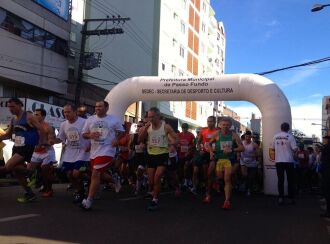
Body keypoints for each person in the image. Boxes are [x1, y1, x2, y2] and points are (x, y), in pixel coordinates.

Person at [81, 100, 124, 210]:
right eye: (96, 106)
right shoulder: (90, 119)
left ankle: (89, 200)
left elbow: (122, 131)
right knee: (98, 174)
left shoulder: (113, 120)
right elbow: (84, 134)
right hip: (94, 152)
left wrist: (117, 140)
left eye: (100, 106)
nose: (97, 108)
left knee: (95, 173)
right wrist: (90, 135)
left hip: (107, 151)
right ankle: (115, 180)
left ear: (106, 108)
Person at [0, 98, 45, 203]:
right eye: (9, 107)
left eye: (13, 106)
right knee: (16, 171)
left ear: (20, 105)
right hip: (16, 146)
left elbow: (41, 129)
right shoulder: (13, 119)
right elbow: (8, 134)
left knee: (8, 166)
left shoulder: (29, 116)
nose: (11, 109)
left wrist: (40, 143)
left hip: (27, 146)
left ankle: (34, 173)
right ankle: (30, 193)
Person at [139, 107, 178, 211]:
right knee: (151, 181)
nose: (150, 119)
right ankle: (153, 192)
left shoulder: (166, 126)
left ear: (158, 116)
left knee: (157, 178)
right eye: (149, 117)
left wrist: (171, 143)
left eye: (152, 117)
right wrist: (145, 129)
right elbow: (140, 139)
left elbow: (176, 138)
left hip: (163, 154)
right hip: (151, 154)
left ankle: (155, 200)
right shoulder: (147, 126)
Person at [56, 104, 90, 203]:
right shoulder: (63, 124)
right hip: (70, 153)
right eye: (65, 112)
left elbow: (92, 134)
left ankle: (89, 182)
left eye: (68, 112)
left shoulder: (84, 122)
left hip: (83, 152)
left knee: (76, 173)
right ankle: (80, 191)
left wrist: (91, 146)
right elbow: (60, 138)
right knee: (69, 175)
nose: (66, 114)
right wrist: (52, 140)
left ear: (75, 112)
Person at [209, 117, 244, 209]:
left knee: (227, 179)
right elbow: (208, 144)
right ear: (220, 125)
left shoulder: (234, 135)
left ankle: (226, 201)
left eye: (227, 125)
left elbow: (242, 148)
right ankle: (218, 183)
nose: (225, 126)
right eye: (223, 125)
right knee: (220, 178)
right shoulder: (216, 134)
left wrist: (232, 149)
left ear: (230, 126)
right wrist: (211, 152)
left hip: (229, 160)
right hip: (219, 159)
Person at [27, 108, 57, 198]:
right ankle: (37, 183)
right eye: (34, 114)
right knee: (28, 170)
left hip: (47, 152)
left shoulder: (48, 127)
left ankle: (49, 189)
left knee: (45, 171)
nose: (34, 116)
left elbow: (52, 141)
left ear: (43, 116)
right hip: (36, 152)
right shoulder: (31, 126)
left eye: (37, 115)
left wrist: (45, 143)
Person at [271, 122, 298, 205]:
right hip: (289, 161)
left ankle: (281, 198)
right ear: (288, 129)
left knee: (280, 180)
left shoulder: (275, 136)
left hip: (279, 161)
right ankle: (290, 198)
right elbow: (294, 149)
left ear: (281, 128)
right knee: (290, 180)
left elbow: (273, 149)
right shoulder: (290, 137)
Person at [192, 116, 218, 195]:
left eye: (211, 121)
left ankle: (209, 189)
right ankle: (205, 185)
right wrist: (200, 149)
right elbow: (198, 142)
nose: (209, 123)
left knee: (210, 172)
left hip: (214, 153)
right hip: (205, 153)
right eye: (208, 121)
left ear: (215, 122)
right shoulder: (203, 130)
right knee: (205, 171)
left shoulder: (218, 131)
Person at [240, 131, 259, 196]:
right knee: (244, 175)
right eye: (246, 136)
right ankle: (245, 186)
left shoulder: (254, 144)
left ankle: (249, 189)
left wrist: (254, 156)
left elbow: (258, 154)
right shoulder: (241, 144)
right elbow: (238, 151)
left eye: (249, 137)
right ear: (245, 136)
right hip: (243, 161)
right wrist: (238, 155)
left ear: (251, 137)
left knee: (251, 177)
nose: (247, 138)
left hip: (252, 162)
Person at [177, 123, 195, 189]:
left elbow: (194, 144)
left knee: (186, 167)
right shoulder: (179, 135)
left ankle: (187, 180)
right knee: (180, 169)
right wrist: (178, 145)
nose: (184, 129)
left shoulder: (191, 135)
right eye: (183, 128)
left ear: (187, 128)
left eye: (185, 128)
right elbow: (176, 142)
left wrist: (190, 148)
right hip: (180, 154)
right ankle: (181, 181)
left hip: (188, 154)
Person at [320, 135, 330, 218]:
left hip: (327, 172)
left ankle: (328, 212)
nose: (323, 140)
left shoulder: (326, 148)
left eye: (324, 139)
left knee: (327, 191)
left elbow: (323, 160)